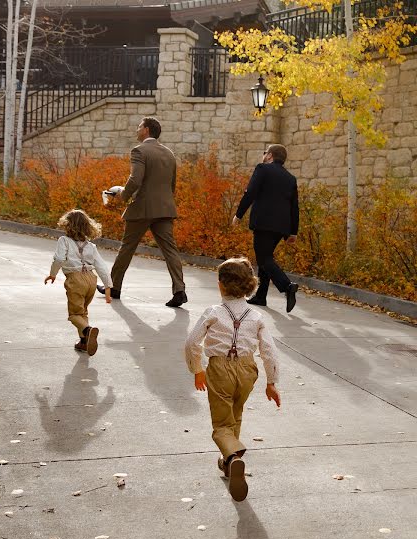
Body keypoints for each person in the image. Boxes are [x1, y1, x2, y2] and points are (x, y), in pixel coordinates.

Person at [184, 257, 281, 502]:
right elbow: (269, 350)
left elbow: (192, 342)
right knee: (235, 413)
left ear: (221, 285)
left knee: (221, 425)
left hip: (220, 369)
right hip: (248, 369)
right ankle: (229, 462)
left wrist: (197, 369)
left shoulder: (214, 312)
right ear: (249, 286)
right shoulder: (256, 316)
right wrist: (271, 382)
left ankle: (233, 454)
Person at [97, 116, 187, 307]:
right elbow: (172, 184)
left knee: (127, 247)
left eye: (139, 127)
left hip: (143, 207)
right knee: (170, 250)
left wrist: (123, 195)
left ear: (146, 130)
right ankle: (179, 290)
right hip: (165, 208)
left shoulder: (139, 151)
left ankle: (114, 287)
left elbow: (135, 179)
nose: (137, 130)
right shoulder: (169, 153)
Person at [233, 144, 299, 313]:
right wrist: (293, 231)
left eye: (265, 153)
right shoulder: (290, 178)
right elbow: (294, 206)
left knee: (263, 259)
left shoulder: (262, 169)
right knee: (266, 257)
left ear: (270, 156)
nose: (263, 156)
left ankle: (287, 286)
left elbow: (251, 193)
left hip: (264, 222)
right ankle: (261, 296)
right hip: (282, 226)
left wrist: (239, 214)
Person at [45, 209, 112, 356]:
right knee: (83, 312)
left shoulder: (64, 240)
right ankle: (83, 342)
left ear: (68, 225)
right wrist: (108, 286)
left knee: (74, 315)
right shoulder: (91, 246)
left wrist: (53, 274)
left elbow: (59, 259)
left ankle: (88, 330)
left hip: (76, 279)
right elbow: (101, 266)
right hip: (91, 279)